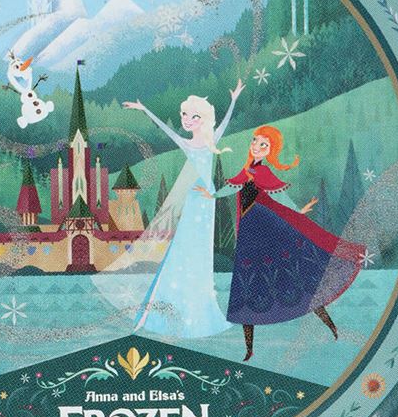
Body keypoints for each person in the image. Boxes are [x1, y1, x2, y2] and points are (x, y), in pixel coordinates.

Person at [195, 124, 365, 361]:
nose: (257, 146)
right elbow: (232, 187)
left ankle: (330, 325)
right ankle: (249, 348)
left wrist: (298, 210)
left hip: (268, 230)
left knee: (299, 278)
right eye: (255, 141)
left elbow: (279, 196)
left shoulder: (263, 172)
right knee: (248, 284)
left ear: (270, 151)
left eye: (263, 145)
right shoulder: (247, 170)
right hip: (250, 235)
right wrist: (211, 195)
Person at [122, 81, 244, 337]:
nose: (187, 120)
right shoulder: (186, 143)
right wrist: (145, 109)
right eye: (184, 115)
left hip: (206, 201)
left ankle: (199, 307)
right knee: (182, 247)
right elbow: (166, 129)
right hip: (193, 200)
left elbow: (224, 123)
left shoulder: (211, 141)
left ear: (204, 119)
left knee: (201, 254)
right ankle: (170, 303)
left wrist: (233, 100)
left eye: (193, 116)